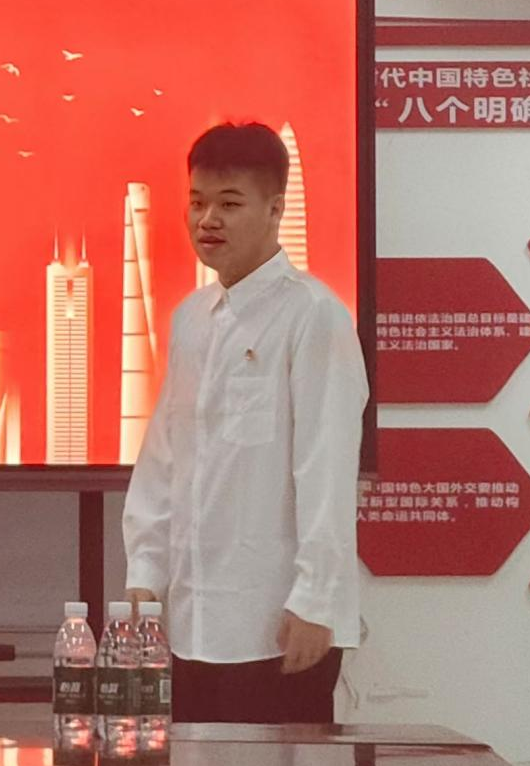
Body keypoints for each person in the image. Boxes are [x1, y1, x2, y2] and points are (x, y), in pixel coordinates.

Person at [122, 121, 368, 724]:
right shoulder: (190, 319)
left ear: (275, 209)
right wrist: (145, 573)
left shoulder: (314, 316)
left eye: (230, 204)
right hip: (191, 622)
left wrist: (316, 601)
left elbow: (326, 468)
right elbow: (163, 458)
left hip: (278, 625)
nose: (208, 220)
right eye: (197, 202)